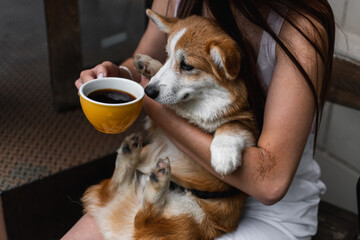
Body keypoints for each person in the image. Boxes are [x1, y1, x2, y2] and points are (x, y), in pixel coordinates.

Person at [66, 0, 335, 239]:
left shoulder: (301, 29)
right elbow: (143, 65)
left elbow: (270, 182)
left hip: (265, 209)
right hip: (169, 176)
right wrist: (119, 76)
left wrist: (155, 107)